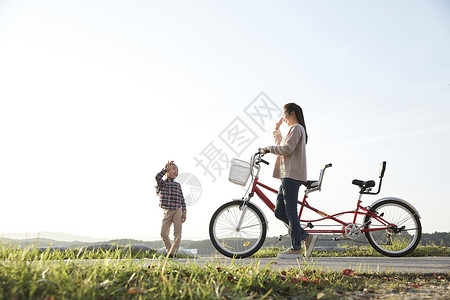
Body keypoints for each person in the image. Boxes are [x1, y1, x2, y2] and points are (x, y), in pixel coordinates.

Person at [259, 103, 317, 259]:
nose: (283, 119)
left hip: (292, 176)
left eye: (284, 115)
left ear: (292, 113)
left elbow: (286, 149)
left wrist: (267, 148)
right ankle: (306, 237)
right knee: (279, 212)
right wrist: (277, 131)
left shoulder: (297, 128)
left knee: (291, 212)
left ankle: (296, 247)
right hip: (287, 175)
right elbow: (283, 145)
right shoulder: (295, 129)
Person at [155, 161, 187, 258]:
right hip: (167, 211)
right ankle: (169, 251)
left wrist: (184, 211)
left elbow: (182, 198)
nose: (176, 171)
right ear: (167, 171)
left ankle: (173, 254)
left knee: (177, 232)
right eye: (174, 169)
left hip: (178, 210)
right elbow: (157, 177)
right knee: (163, 233)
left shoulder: (178, 185)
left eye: (177, 170)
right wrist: (165, 169)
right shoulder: (163, 183)